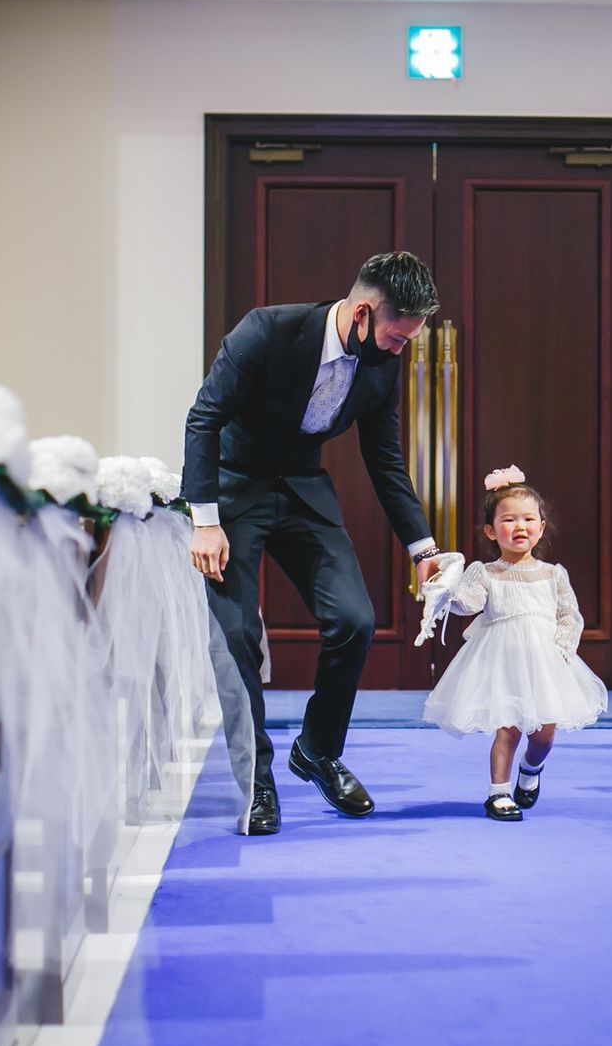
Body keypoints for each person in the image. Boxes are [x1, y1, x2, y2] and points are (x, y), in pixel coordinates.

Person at [183, 252, 443, 835]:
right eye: (396, 338)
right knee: (237, 635)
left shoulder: (381, 363)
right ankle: (257, 780)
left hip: (302, 490)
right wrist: (204, 520)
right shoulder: (267, 330)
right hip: (232, 492)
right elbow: (203, 419)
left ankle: (318, 751)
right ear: (362, 314)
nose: (400, 350)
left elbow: (385, 460)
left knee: (355, 620)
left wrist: (423, 549)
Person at [421, 466, 608, 821]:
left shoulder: (553, 574)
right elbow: (468, 603)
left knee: (544, 735)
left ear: (541, 527)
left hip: (545, 663)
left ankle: (530, 769)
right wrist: (444, 590)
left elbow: (569, 615)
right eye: (508, 520)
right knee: (507, 729)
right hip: (503, 663)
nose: (519, 526)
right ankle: (499, 793)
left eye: (528, 519)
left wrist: (561, 651)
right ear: (491, 531)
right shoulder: (486, 572)